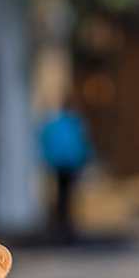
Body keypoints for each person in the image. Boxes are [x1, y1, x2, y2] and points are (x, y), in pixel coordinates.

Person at [37, 95, 94, 242]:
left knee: (61, 196)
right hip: (71, 164)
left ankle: (61, 224)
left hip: (57, 164)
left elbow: (45, 140)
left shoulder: (54, 123)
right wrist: (85, 158)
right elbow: (82, 142)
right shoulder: (75, 123)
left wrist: (46, 159)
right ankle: (66, 225)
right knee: (69, 196)